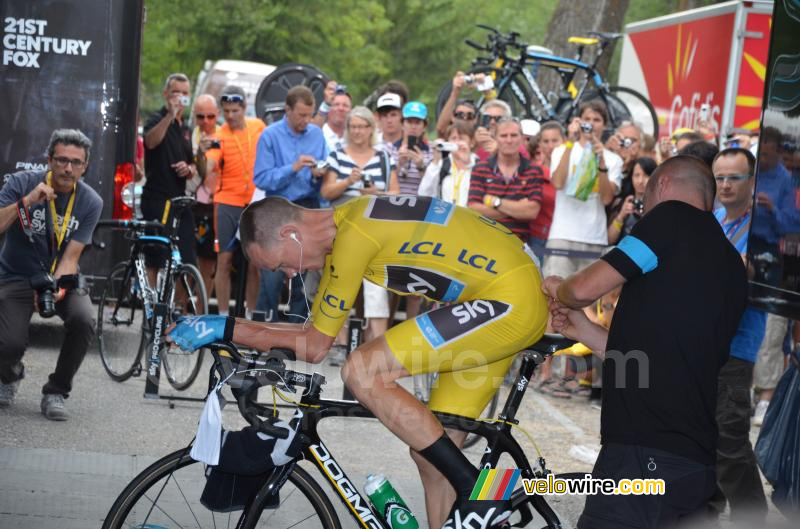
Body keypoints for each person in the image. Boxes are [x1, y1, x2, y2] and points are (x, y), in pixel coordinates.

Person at [169, 194, 548, 529]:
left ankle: (475, 489)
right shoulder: (349, 223)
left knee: (363, 370)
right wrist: (230, 326)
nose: (290, 274)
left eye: (280, 265)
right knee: (432, 456)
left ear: (290, 234)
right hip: (499, 297)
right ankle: (472, 496)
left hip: (507, 299)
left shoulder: (354, 237)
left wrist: (226, 327)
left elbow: (315, 346)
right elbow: (311, 333)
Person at [542, 156, 748, 528]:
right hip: (695, 460)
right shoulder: (731, 261)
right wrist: (584, 330)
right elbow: (658, 357)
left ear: (662, 185)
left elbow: (584, 288)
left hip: (643, 452)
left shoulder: (668, 219)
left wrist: (559, 289)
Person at [0, 129, 102, 421]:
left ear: (85, 167)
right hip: (16, 275)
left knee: (84, 319)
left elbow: (71, 256)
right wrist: (27, 201)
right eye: (61, 160)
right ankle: (9, 375)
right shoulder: (21, 183)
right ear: (49, 160)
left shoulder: (91, 201)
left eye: (76, 162)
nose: (68, 168)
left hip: (60, 277)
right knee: (8, 344)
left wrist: (56, 287)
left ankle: (56, 391)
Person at [708, 147, 768, 522]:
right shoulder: (713, 219)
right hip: (703, 339)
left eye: (734, 177)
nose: (726, 185)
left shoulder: (761, 227)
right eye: (720, 177)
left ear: (752, 180)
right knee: (703, 435)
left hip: (737, 343)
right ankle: (706, 511)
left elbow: (747, 271)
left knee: (729, 439)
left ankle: (751, 517)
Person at [321, 106, 399, 348]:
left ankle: (377, 344)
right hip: (344, 228)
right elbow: (326, 192)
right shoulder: (337, 155)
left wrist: (376, 193)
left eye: (361, 126)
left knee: (376, 287)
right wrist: (348, 181)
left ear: (370, 129)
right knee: (342, 283)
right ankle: (340, 342)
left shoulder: (384, 157)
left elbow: (396, 194)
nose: (357, 131)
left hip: (376, 229)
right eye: (352, 126)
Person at [252, 85, 328, 322]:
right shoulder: (270, 135)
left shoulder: (317, 135)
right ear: (287, 110)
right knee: (272, 272)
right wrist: (293, 168)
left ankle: (297, 329)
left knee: (305, 273)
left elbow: (324, 172)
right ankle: (264, 327)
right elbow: (261, 178)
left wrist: (318, 175)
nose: (306, 121)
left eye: (310, 115)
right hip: (277, 208)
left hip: (307, 207)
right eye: (301, 115)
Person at [204, 85, 265, 318]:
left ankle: (250, 315)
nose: (230, 116)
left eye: (235, 111)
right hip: (227, 202)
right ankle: (222, 315)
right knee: (225, 259)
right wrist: (201, 156)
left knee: (254, 262)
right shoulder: (218, 136)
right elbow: (208, 166)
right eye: (226, 111)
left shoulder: (258, 126)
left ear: (244, 107)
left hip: (255, 203)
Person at [544, 100, 623, 279]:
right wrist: (570, 142)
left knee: (589, 296)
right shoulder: (561, 150)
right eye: (587, 119)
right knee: (555, 291)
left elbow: (606, 199)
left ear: (604, 125)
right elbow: (558, 183)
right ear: (579, 121)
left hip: (594, 238)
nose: (591, 124)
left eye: (597, 120)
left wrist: (601, 161)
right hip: (562, 236)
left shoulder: (613, 160)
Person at [141, 73, 197, 276]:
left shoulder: (186, 128)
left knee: (187, 260)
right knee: (156, 259)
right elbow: (150, 142)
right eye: (176, 93)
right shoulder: (157, 119)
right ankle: (151, 296)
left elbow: (192, 164)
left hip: (179, 201)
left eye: (185, 93)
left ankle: (180, 297)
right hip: (158, 198)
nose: (181, 98)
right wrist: (169, 116)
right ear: (166, 94)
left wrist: (188, 169)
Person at [468, 118, 543, 242]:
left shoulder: (533, 170)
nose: (509, 140)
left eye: (514, 135)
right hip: (484, 240)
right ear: (495, 138)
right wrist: (517, 208)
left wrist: (495, 202)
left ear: (522, 138)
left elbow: (531, 212)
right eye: (503, 136)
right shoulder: (480, 168)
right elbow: (474, 209)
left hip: (518, 243)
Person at [188, 94, 219, 299]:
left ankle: (202, 310)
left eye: (210, 116)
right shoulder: (190, 136)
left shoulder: (222, 136)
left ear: (217, 114)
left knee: (208, 265)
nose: (206, 121)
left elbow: (207, 170)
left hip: (212, 206)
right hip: (191, 204)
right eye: (200, 117)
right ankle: (181, 308)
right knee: (187, 261)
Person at [418, 121, 477, 207]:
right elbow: (423, 194)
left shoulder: (479, 166)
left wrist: (467, 162)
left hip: (469, 214)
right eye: (453, 138)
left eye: (461, 139)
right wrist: (435, 161)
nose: (457, 143)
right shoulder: (441, 165)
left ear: (472, 143)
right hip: (445, 214)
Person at [385, 101, 434, 195]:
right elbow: (384, 183)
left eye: (417, 122)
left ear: (424, 126)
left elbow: (433, 187)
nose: (413, 127)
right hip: (394, 201)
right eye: (409, 122)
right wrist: (399, 165)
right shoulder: (389, 149)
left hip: (421, 202)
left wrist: (421, 167)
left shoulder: (431, 151)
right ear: (402, 124)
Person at [607, 157, 656, 245]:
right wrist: (621, 215)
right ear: (631, 177)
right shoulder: (622, 202)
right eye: (637, 175)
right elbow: (610, 240)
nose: (640, 181)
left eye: (646, 175)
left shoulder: (659, 205)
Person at [434, 70, 484, 138]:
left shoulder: (479, 139)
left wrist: (484, 85)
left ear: (475, 120)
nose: (465, 118)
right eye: (460, 115)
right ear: (452, 117)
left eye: (470, 116)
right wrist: (455, 92)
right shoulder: (449, 137)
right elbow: (441, 129)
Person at [322, 87, 352, 152]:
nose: (341, 108)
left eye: (345, 105)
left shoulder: (354, 138)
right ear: (328, 108)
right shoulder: (320, 134)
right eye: (336, 104)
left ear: (351, 110)